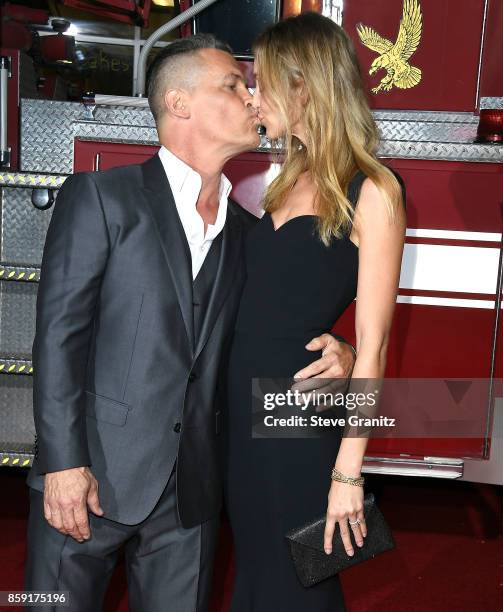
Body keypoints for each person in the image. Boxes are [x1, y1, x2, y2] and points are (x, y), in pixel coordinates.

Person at [23, 34, 356, 612]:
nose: (253, 98)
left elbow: (273, 320)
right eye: (233, 84)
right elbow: (57, 339)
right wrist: (62, 464)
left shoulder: (250, 233)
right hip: (88, 479)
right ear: (179, 104)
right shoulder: (102, 198)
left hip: (191, 500)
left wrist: (342, 349)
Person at [225, 12, 407, 612]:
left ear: (305, 86)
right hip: (240, 417)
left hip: (295, 416)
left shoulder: (373, 190)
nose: (253, 95)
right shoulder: (286, 176)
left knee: (297, 581)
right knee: (254, 570)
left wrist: (349, 472)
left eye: (264, 81)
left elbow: (375, 345)